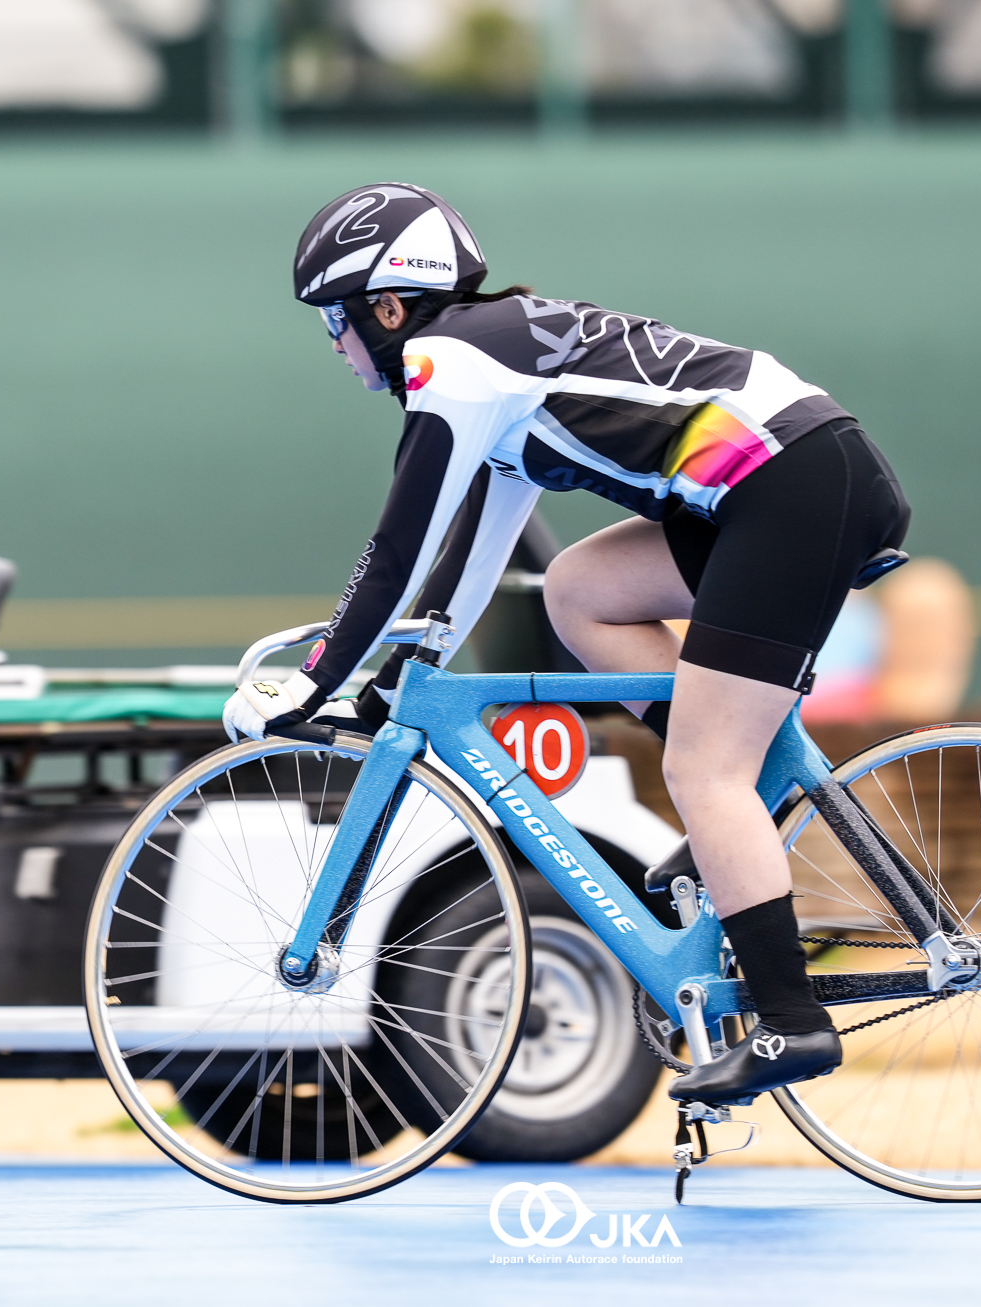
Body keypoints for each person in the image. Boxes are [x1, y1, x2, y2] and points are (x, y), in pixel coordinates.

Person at [225, 183, 910, 1106]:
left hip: (793, 488)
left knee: (705, 774)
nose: (338, 347)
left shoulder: (450, 364)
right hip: (780, 482)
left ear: (388, 307)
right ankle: (729, 818)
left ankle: (793, 1024)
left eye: (337, 323)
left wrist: (312, 684)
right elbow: (465, 559)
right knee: (578, 590)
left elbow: (397, 546)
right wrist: (398, 674)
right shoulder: (489, 371)